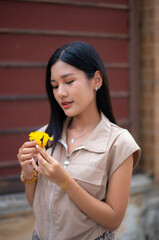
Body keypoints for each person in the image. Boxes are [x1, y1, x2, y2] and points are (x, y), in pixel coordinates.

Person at [17, 41, 141, 240]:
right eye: (55, 86)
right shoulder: (45, 136)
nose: (60, 93)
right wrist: (28, 172)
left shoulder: (119, 143)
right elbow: (37, 204)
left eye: (69, 81)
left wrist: (64, 181)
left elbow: (113, 220)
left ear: (96, 80)